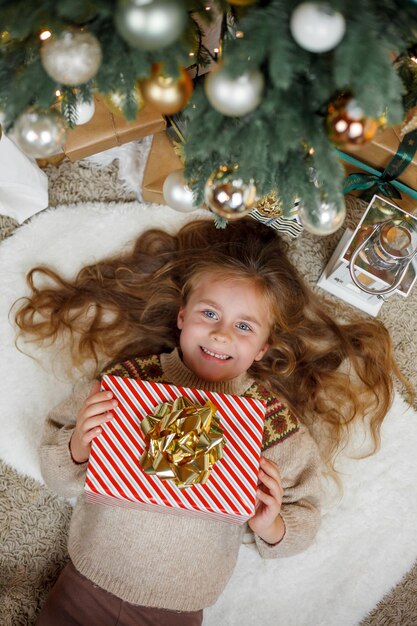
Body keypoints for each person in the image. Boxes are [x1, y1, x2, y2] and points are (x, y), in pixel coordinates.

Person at [14, 217, 411, 626]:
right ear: (183, 318)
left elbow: (303, 517)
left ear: (262, 348)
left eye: (243, 327)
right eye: (209, 314)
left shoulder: (270, 422)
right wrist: (77, 446)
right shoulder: (127, 381)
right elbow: (58, 475)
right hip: (85, 584)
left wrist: (272, 525)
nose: (221, 335)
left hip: (178, 610)